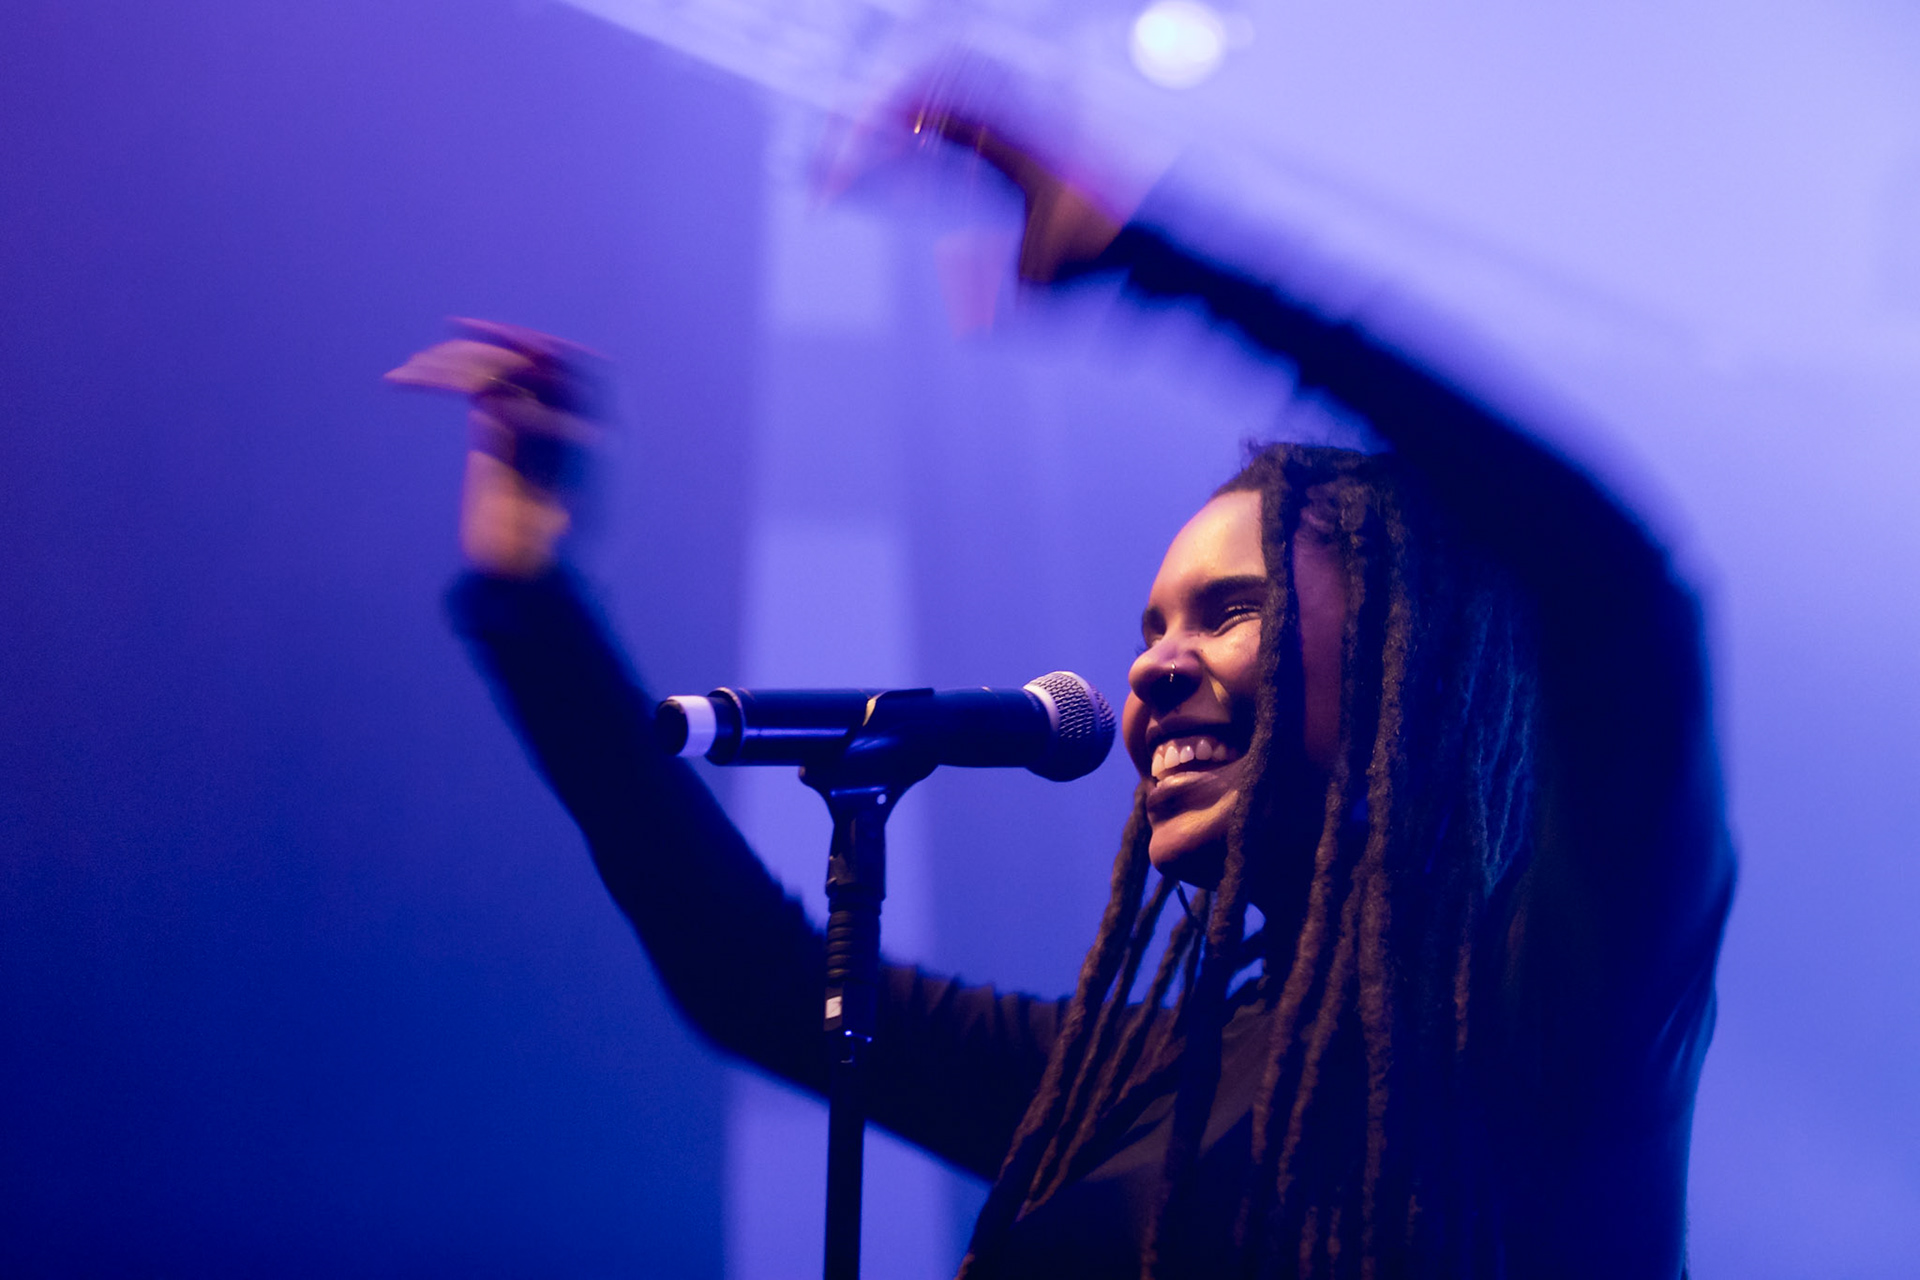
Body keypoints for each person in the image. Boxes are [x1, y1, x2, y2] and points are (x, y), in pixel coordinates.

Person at [392, 110, 1733, 1279]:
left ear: (1403, 662)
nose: (1152, 666)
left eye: (1233, 610)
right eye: (1150, 625)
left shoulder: (1551, 1003)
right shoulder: (1147, 1068)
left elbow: (1625, 595)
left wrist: (1160, 262)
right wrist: (532, 593)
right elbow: (757, 981)